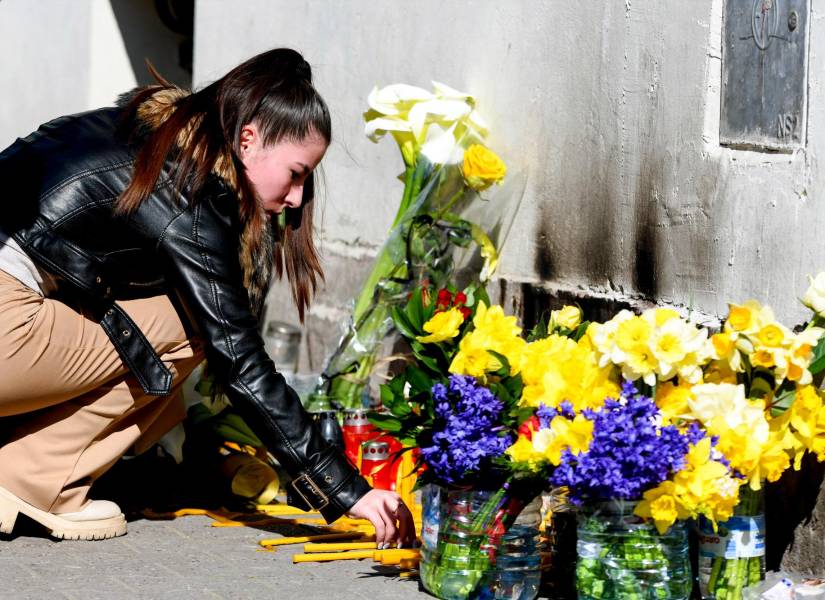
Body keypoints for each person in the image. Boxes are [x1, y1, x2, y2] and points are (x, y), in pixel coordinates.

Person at [0, 48, 415, 548]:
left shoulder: (146, 135)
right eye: (297, 173)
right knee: (192, 322)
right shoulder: (188, 196)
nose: (297, 199)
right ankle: (33, 477)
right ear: (248, 139)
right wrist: (348, 491)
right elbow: (239, 359)